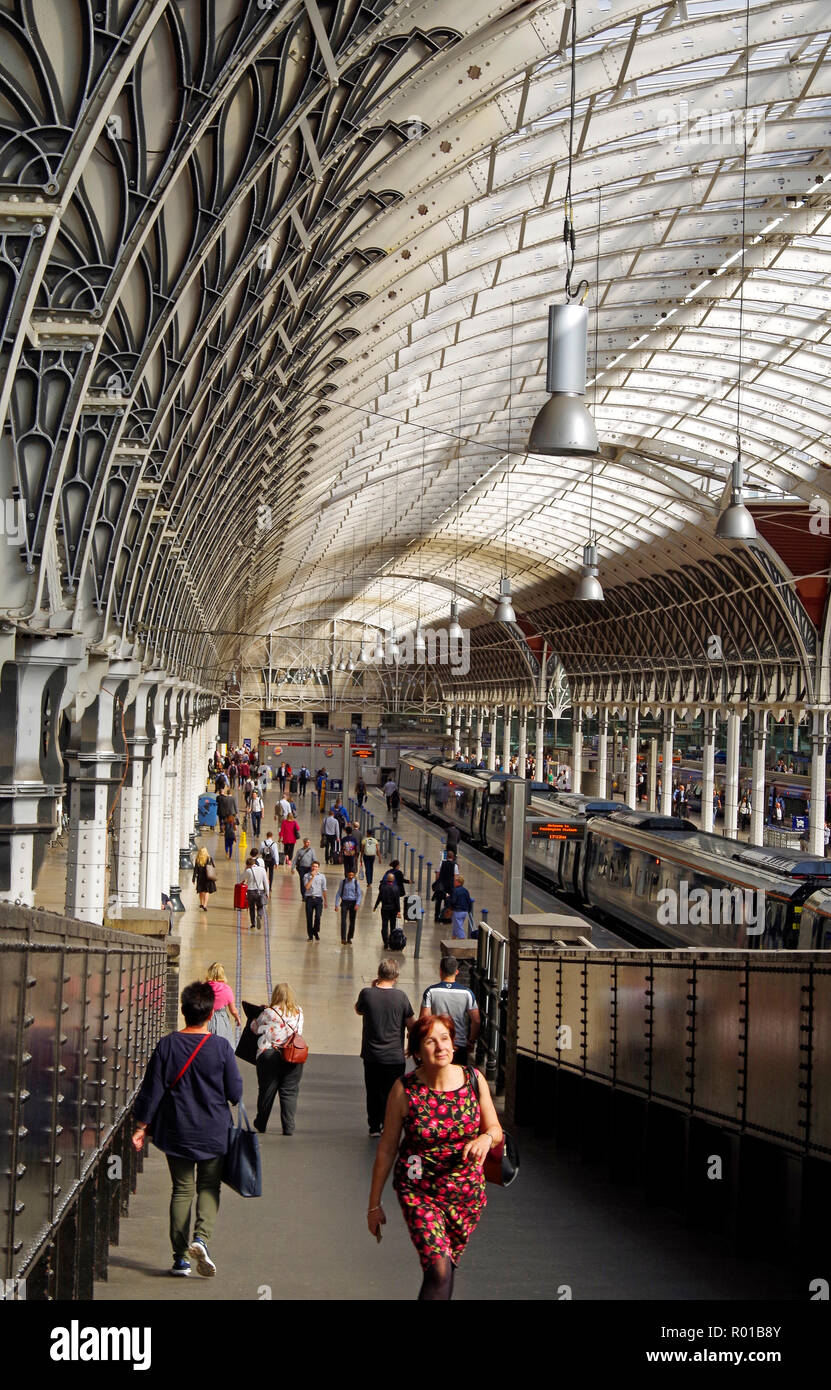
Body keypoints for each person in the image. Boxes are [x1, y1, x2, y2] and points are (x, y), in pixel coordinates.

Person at [366, 1013, 501, 1300]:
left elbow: (495, 1129)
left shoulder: (473, 1079)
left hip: (466, 1196)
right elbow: (387, 1149)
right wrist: (373, 1204)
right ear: (416, 1052)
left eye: (445, 1039)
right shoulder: (404, 1090)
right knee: (439, 1268)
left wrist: (485, 1138)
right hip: (419, 1192)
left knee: (444, 1267)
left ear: (453, 1044)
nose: (440, 1046)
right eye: (430, 1041)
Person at [131, 981, 243, 1277]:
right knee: (209, 1186)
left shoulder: (167, 1045)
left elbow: (152, 1090)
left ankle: (180, 1259)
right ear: (209, 1014)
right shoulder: (220, 1047)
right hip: (213, 1131)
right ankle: (201, 1238)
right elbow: (235, 1093)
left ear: (183, 1012)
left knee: (182, 1190)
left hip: (177, 1129)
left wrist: (141, 1126)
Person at [355, 958, 414, 1136]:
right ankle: (389, 1125)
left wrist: (373, 987)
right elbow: (412, 1024)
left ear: (378, 974)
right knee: (393, 1093)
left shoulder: (367, 993)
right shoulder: (401, 997)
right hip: (395, 1056)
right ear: (396, 976)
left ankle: (374, 1126)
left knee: (373, 1091)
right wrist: (411, 1046)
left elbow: (358, 1010)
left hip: (372, 1054)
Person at [252, 983, 305, 1135]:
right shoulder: (299, 1012)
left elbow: (255, 1028)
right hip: (292, 1055)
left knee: (266, 1091)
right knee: (289, 1091)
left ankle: (261, 1123)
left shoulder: (269, 1012)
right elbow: (299, 1031)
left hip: (270, 1054)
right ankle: (288, 1127)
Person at [421, 956, 480, 1065]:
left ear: (440, 971)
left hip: (437, 1043)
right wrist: (471, 1041)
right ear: (456, 972)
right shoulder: (467, 993)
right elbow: (476, 1020)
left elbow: (424, 1018)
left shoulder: (431, 991)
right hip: (459, 1044)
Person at [205, 962, 241, 1043]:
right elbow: (233, 1010)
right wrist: (237, 1018)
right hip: (221, 1019)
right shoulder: (226, 989)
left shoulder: (203, 987)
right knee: (223, 1045)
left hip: (205, 1018)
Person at [374, 869, 402, 949]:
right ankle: (391, 940)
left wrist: (375, 906)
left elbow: (379, 898)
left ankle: (385, 941)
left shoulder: (383, 888)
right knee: (392, 925)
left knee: (384, 925)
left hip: (385, 909)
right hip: (393, 909)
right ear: (393, 880)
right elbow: (397, 901)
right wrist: (399, 911)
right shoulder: (396, 888)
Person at [335, 869, 363, 944]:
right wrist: (336, 904)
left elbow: (359, 894)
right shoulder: (343, 882)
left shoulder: (356, 883)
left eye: (352, 875)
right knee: (343, 920)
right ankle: (343, 938)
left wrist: (357, 904)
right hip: (344, 902)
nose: (350, 877)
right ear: (347, 875)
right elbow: (338, 893)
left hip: (353, 903)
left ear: (354, 875)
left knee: (352, 921)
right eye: (349, 875)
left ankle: (349, 937)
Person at [243, 853, 269, 930]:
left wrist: (245, 869)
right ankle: (259, 916)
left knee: (251, 908)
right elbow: (266, 882)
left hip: (250, 891)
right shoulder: (262, 870)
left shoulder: (248, 870)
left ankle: (253, 924)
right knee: (260, 906)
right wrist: (267, 892)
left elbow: (241, 879)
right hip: (260, 891)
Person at [302, 860, 327, 940]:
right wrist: (312, 877)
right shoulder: (306, 876)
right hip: (309, 898)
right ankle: (310, 936)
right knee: (309, 918)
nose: (314, 868)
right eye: (313, 866)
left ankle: (315, 931)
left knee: (318, 916)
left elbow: (324, 889)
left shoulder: (322, 876)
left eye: (316, 867)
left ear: (318, 868)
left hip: (318, 899)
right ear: (311, 867)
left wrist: (325, 901)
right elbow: (307, 887)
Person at [433, 850, 458, 923]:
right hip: (450, 887)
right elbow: (456, 877)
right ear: (453, 857)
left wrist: (437, 884)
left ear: (446, 857)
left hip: (441, 886)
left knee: (438, 902)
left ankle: (436, 917)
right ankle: (446, 918)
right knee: (448, 903)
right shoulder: (455, 866)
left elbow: (437, 874)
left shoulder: (442, 863)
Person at [192, 846, 217, 913]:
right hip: (207, 878)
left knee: (200, 891)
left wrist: (193, 878)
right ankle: (205, 905)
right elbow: (213, 866)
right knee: (207, 891)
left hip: (200, 878)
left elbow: (195, 870)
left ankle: (202, 903)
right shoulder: (209, 858)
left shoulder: (198, 859)